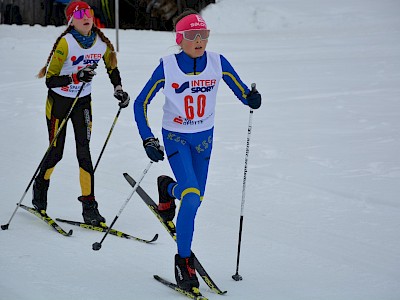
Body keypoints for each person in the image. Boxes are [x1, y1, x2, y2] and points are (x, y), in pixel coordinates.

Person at [133, 9, 261, 294]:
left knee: (196, 198)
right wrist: (148, 139)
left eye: (204, 34)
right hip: (176, 136)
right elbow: (140, 103)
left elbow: (242, 92)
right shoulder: (167, 66)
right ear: (180, 39)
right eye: (192, 35)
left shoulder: (217, 62)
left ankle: (167, 189)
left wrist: (251, 98)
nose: (199, 40)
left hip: (204, 140)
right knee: (191, 199)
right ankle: (183, 263)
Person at [33, 1, 130, 226]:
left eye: (88, 12)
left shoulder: (100, 44)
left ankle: (90, 208)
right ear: (71, 21)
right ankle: (40, 190)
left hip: (82, 103)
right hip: (59, 102)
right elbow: (50, 80)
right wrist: (75, 78)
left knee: (84, 153)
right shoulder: (65, 44)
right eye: (79, 14)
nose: (85, 17)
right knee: (56, 152)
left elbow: (112, 68)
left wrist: (119, 90)